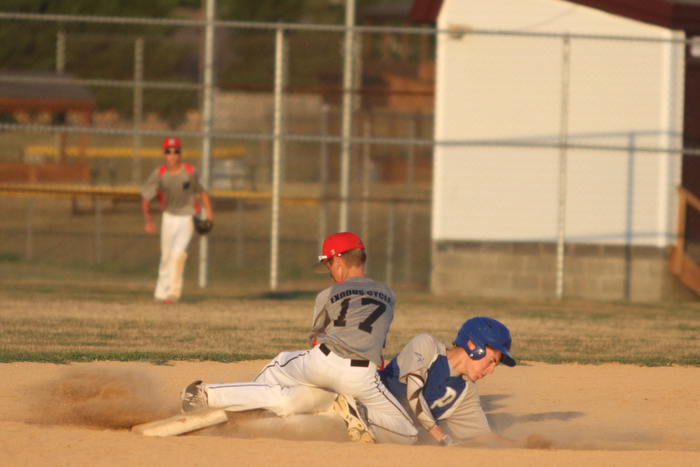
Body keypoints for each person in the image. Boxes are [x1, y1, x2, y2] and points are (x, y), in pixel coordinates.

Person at [180, 232, 418, 444]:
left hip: (323, 361)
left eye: (328, 265)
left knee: (278, 368)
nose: (330, 271)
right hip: (362, 376)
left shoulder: (328, 293)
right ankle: (361, 413)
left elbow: (316, 339)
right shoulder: (389, 293)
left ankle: (206, 395)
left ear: (337, 261)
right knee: (409, 433)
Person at [378, 316, 517, 447]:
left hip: (394, 429)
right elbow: (414, 397)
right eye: (491, 360)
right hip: (367, 403)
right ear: (472, 345)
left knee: (408, 435)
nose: (491, 370)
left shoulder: (466, 391)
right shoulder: (427, 346)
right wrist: (444, 439)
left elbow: (483, 436)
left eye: (495, 365)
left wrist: (522, 444)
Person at [141, 137, 213, 304]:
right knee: (167, 256)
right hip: (168, 217)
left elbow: (202, 193)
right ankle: (160, 292)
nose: (172, 155)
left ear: (180, 153)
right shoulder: (159, 173)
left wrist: (210, 216)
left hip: (187, 217)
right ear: (163, 154)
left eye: (176, 151)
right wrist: (148, 220)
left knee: (178, 253)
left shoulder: (190, 171)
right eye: (168, 151)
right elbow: (146, 197)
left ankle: (173, 292)